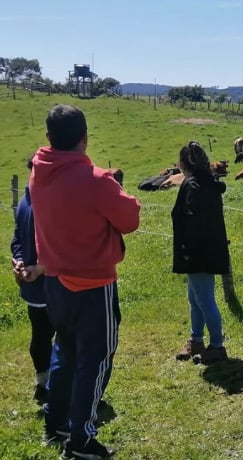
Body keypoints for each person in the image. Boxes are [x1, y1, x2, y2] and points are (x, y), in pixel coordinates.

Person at [30, 104, 141, 459]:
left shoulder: (38, 175)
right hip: (93, 286)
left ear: (48, 137)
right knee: (95, 360)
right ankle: (81, 440)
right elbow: (130, 219)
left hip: (55, 282)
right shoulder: (95, 180)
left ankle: (56, 420)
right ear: (85, 138)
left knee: (65, 349)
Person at [172, 141, 230, 365]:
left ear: (184, 163)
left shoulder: (192, 186)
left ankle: (217, 345)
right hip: (211, 249)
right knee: (195, 298)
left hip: (197, 253)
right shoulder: (209, 184)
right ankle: (196, 340)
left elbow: (191, 222)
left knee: (204, 299)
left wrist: (187, 250)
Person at [10, 156, 53, 407]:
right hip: (50, 284)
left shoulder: (25, 200)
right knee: (62, 337)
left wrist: (17, 260)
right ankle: (53, 387)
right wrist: (30, 264)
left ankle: (42, 383)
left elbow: (16, 239)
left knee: (40, 335)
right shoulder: (43, 203)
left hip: (33, 284)